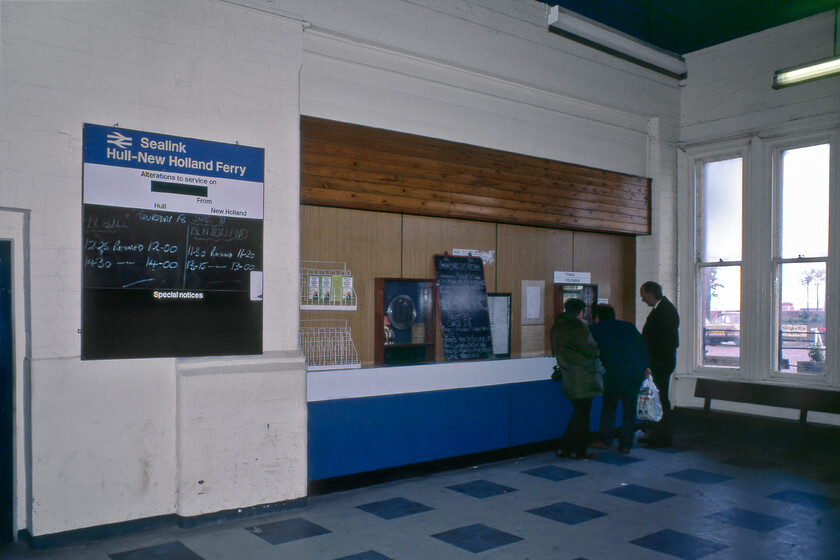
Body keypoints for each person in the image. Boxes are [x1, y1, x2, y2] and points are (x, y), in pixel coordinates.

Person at [589, 304, 649, 454]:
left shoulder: (595, 330)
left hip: (614, 374)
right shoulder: (628, 326)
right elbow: (642, 348)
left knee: (609, 409)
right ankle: (625, 445)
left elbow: (589, 351)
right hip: (634, 373)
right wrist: (646, 367)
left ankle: (606, 441)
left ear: (597, 317)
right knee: (629, 410)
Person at [550, 298, 603, 459]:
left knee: (579, 414)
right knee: (582, 416)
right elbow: (593, 351)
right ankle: (577, 450)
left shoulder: (557, 327)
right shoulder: (579, 327)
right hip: (584, 377)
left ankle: (565, 448)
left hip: (568, 375)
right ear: (581, 312)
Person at [639, 281, 680, 447]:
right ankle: (659, 434)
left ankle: (662, 436)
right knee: (658, 398)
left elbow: (666, 341)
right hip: (661, 361)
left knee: (659, 399)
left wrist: (656, 362)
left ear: (651, 293)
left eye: (643, 295)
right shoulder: (663, 308)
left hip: (660, 363)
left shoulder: (664, 311)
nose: (642, 299)